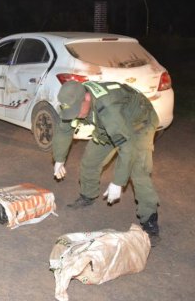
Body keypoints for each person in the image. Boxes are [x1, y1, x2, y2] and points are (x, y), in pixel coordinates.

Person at [52, 80, 161, 245]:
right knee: (90, 161)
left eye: (77, 111)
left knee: (138, 172)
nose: (75, 115)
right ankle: (88, 195)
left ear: (87, 98)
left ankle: (150, 222)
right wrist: (59, 159)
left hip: (139, 123)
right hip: (110, 125)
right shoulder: (76, 100)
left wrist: (118, 182)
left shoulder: (108, 109)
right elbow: (64, 129)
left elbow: (127, 147)